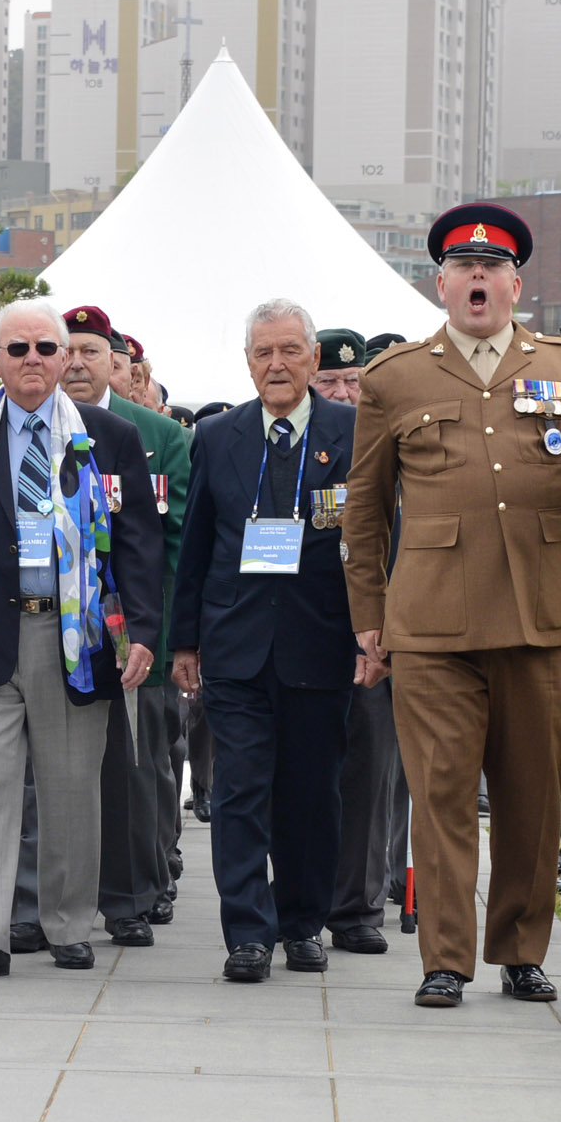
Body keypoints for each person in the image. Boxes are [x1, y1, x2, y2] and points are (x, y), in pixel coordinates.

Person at [342, 202, 561, 1008]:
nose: (477, 278)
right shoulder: (394, 376)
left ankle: (520, 948)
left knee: (533, 793)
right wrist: (368, 618)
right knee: (441, 788)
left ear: (516, 284)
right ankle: (445, 958)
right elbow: (364, 510)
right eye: (463, 268)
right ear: (440, 283)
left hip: (546, 615)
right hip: (433, 623)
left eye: (492, 268)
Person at [0, 298, 162, 976]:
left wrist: (142, 631)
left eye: (47, 348)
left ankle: (67, 924)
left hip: (74, 635)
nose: (34, 360)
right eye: (18, 349)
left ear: (65, 357)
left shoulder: (109, 436)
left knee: (72, 788)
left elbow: (139, 544)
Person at [172, 298, 360, 980]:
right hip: (235, 642)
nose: (276, 364)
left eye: (289, 351)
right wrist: (183, 640)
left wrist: (375, 634)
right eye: (263, 352)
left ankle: (302, 923)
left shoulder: (354, 429)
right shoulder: (216, 434)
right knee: (239, 791)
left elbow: (375, 540)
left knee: (312, 793)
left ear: (313, 358)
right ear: (248, 362)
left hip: (322, 640)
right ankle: (248, 933)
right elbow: (195, 543)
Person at [55, 306, 191, 945]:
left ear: (117, 363)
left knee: (137, 767)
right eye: (69, 351)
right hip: (54, 625)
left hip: (133, 628)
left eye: (91, 351)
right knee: (54, 771)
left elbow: (176, 540)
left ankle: (137, 893)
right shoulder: (34, 426)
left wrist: (166, 630)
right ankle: (51, 897)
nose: (78, 363)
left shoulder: (156, 435)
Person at [317, 326, 403, 954]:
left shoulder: (396, 440)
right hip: (306, 632)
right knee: (303, 774)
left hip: (377, 634)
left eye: (354, 380)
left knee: (372, 777)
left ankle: (358, 907)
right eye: (331, 382)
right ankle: (302, 894)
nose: (346, 392)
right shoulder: (295, 442)